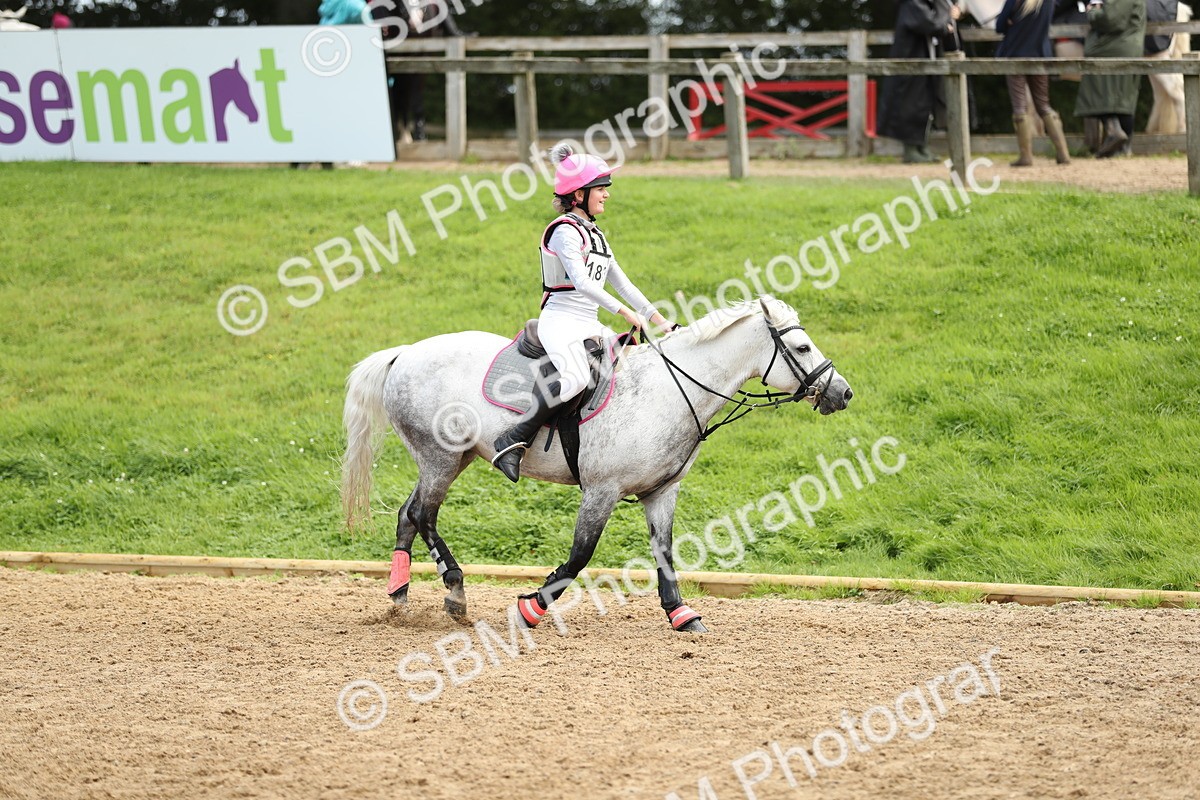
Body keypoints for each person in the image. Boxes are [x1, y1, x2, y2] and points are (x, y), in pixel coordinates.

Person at [490, 145, 674, 483]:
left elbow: (624, 284)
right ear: (579, 193)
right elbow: (583, 282)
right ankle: (514, 439)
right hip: (560, 321)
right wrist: (624, 313)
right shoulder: (563, 231)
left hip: (588, 322)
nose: (606, 195)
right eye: (601, 188)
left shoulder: (596, 235)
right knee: (574, 377)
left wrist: (663, 322)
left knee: (629, 367)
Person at [878, 0, 963, 163]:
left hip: (923, 63)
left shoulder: (923, 4)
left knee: (924, 106)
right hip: (910, 64)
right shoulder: (912, 3)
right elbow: (929, 24)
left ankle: (922, 147)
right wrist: (947, 20)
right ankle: (911, 150)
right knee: (910, 106)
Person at [996, 0, 1072, 165]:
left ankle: (1026, 156)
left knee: (1019, 107)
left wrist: (1011, 23)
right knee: (1044, 105)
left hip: (1016, 54)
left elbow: (999, 25)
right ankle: (1063, 153)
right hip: (1040, 55)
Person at [1074, 0, 1146, 157]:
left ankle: (1114, 132)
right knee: (1124, 98)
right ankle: (1123, 148)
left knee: (1096, 91)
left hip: (1113, 48)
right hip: (1126, 46)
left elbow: (1111, 19)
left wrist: (1092, 12)